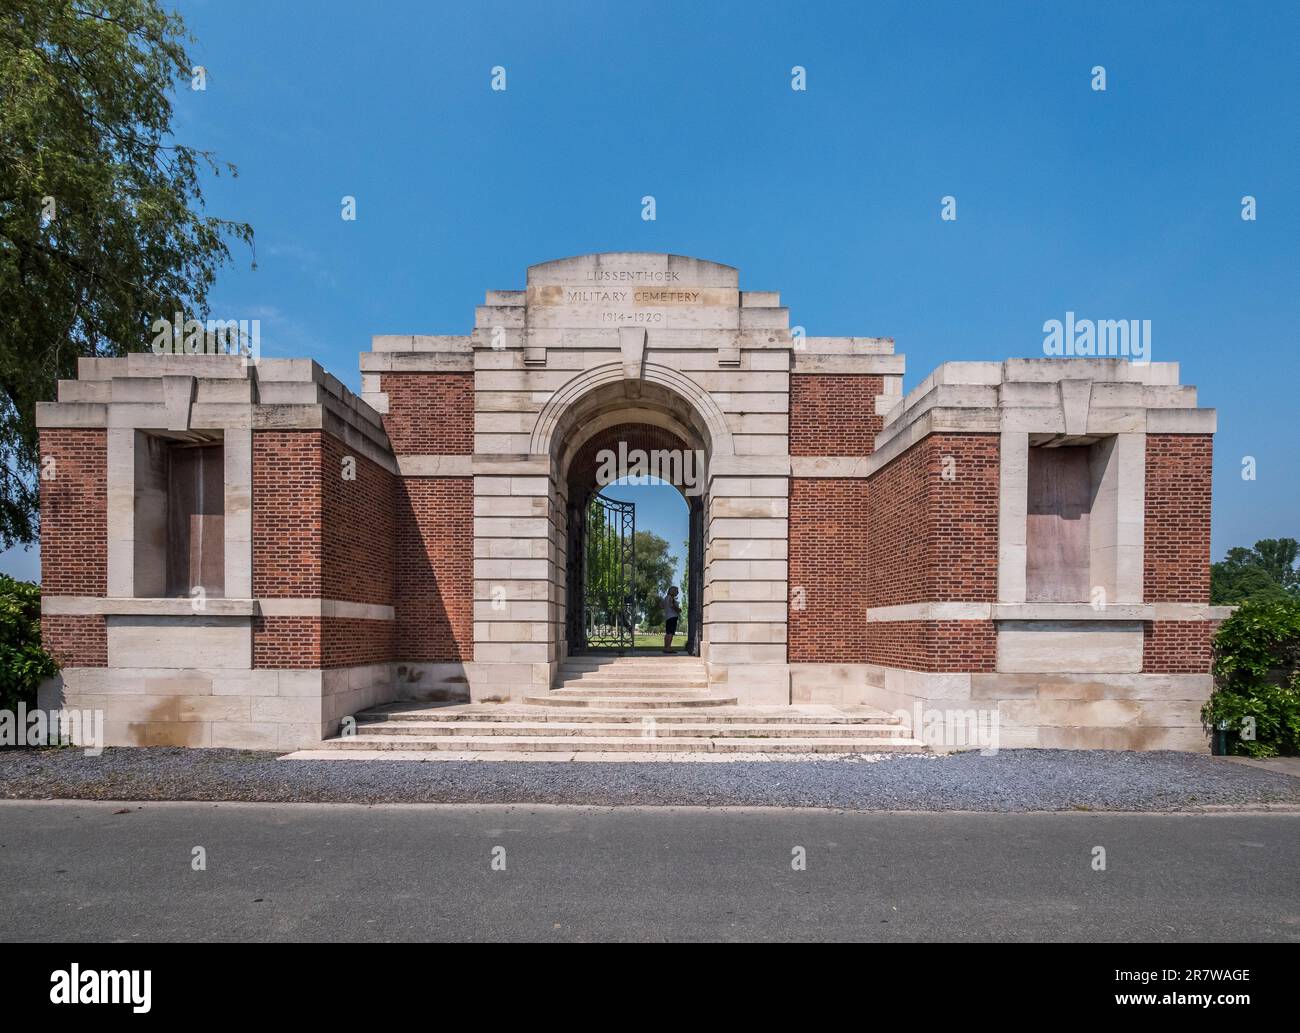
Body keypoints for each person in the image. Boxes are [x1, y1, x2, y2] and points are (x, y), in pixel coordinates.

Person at [662, 585, 681, 654]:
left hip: (667, 617)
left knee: (667, 632)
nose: (678, 592)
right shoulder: (671, 598)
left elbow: (661, 606)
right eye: (677, 591)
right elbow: (672, 606)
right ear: (673, 591)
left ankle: (665, 647)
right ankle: (669, 648)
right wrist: (678, 610)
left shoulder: (666, 598)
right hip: (672, 617)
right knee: (671, 633)